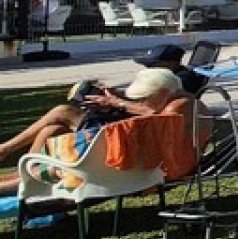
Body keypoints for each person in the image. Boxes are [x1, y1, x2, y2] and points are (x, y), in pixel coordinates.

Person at [1, 68, 204, 192]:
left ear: (164, 92)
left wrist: (118, 104)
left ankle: (15, 170)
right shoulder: (178, 100)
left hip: (153, 170)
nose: (141, 102)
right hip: (147, 160)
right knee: (53, 129)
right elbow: (151, 119)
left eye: (145, 97)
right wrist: (115, 103)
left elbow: (155, 121)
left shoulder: (179, 106)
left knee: (62, 125)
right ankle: (20, 172)